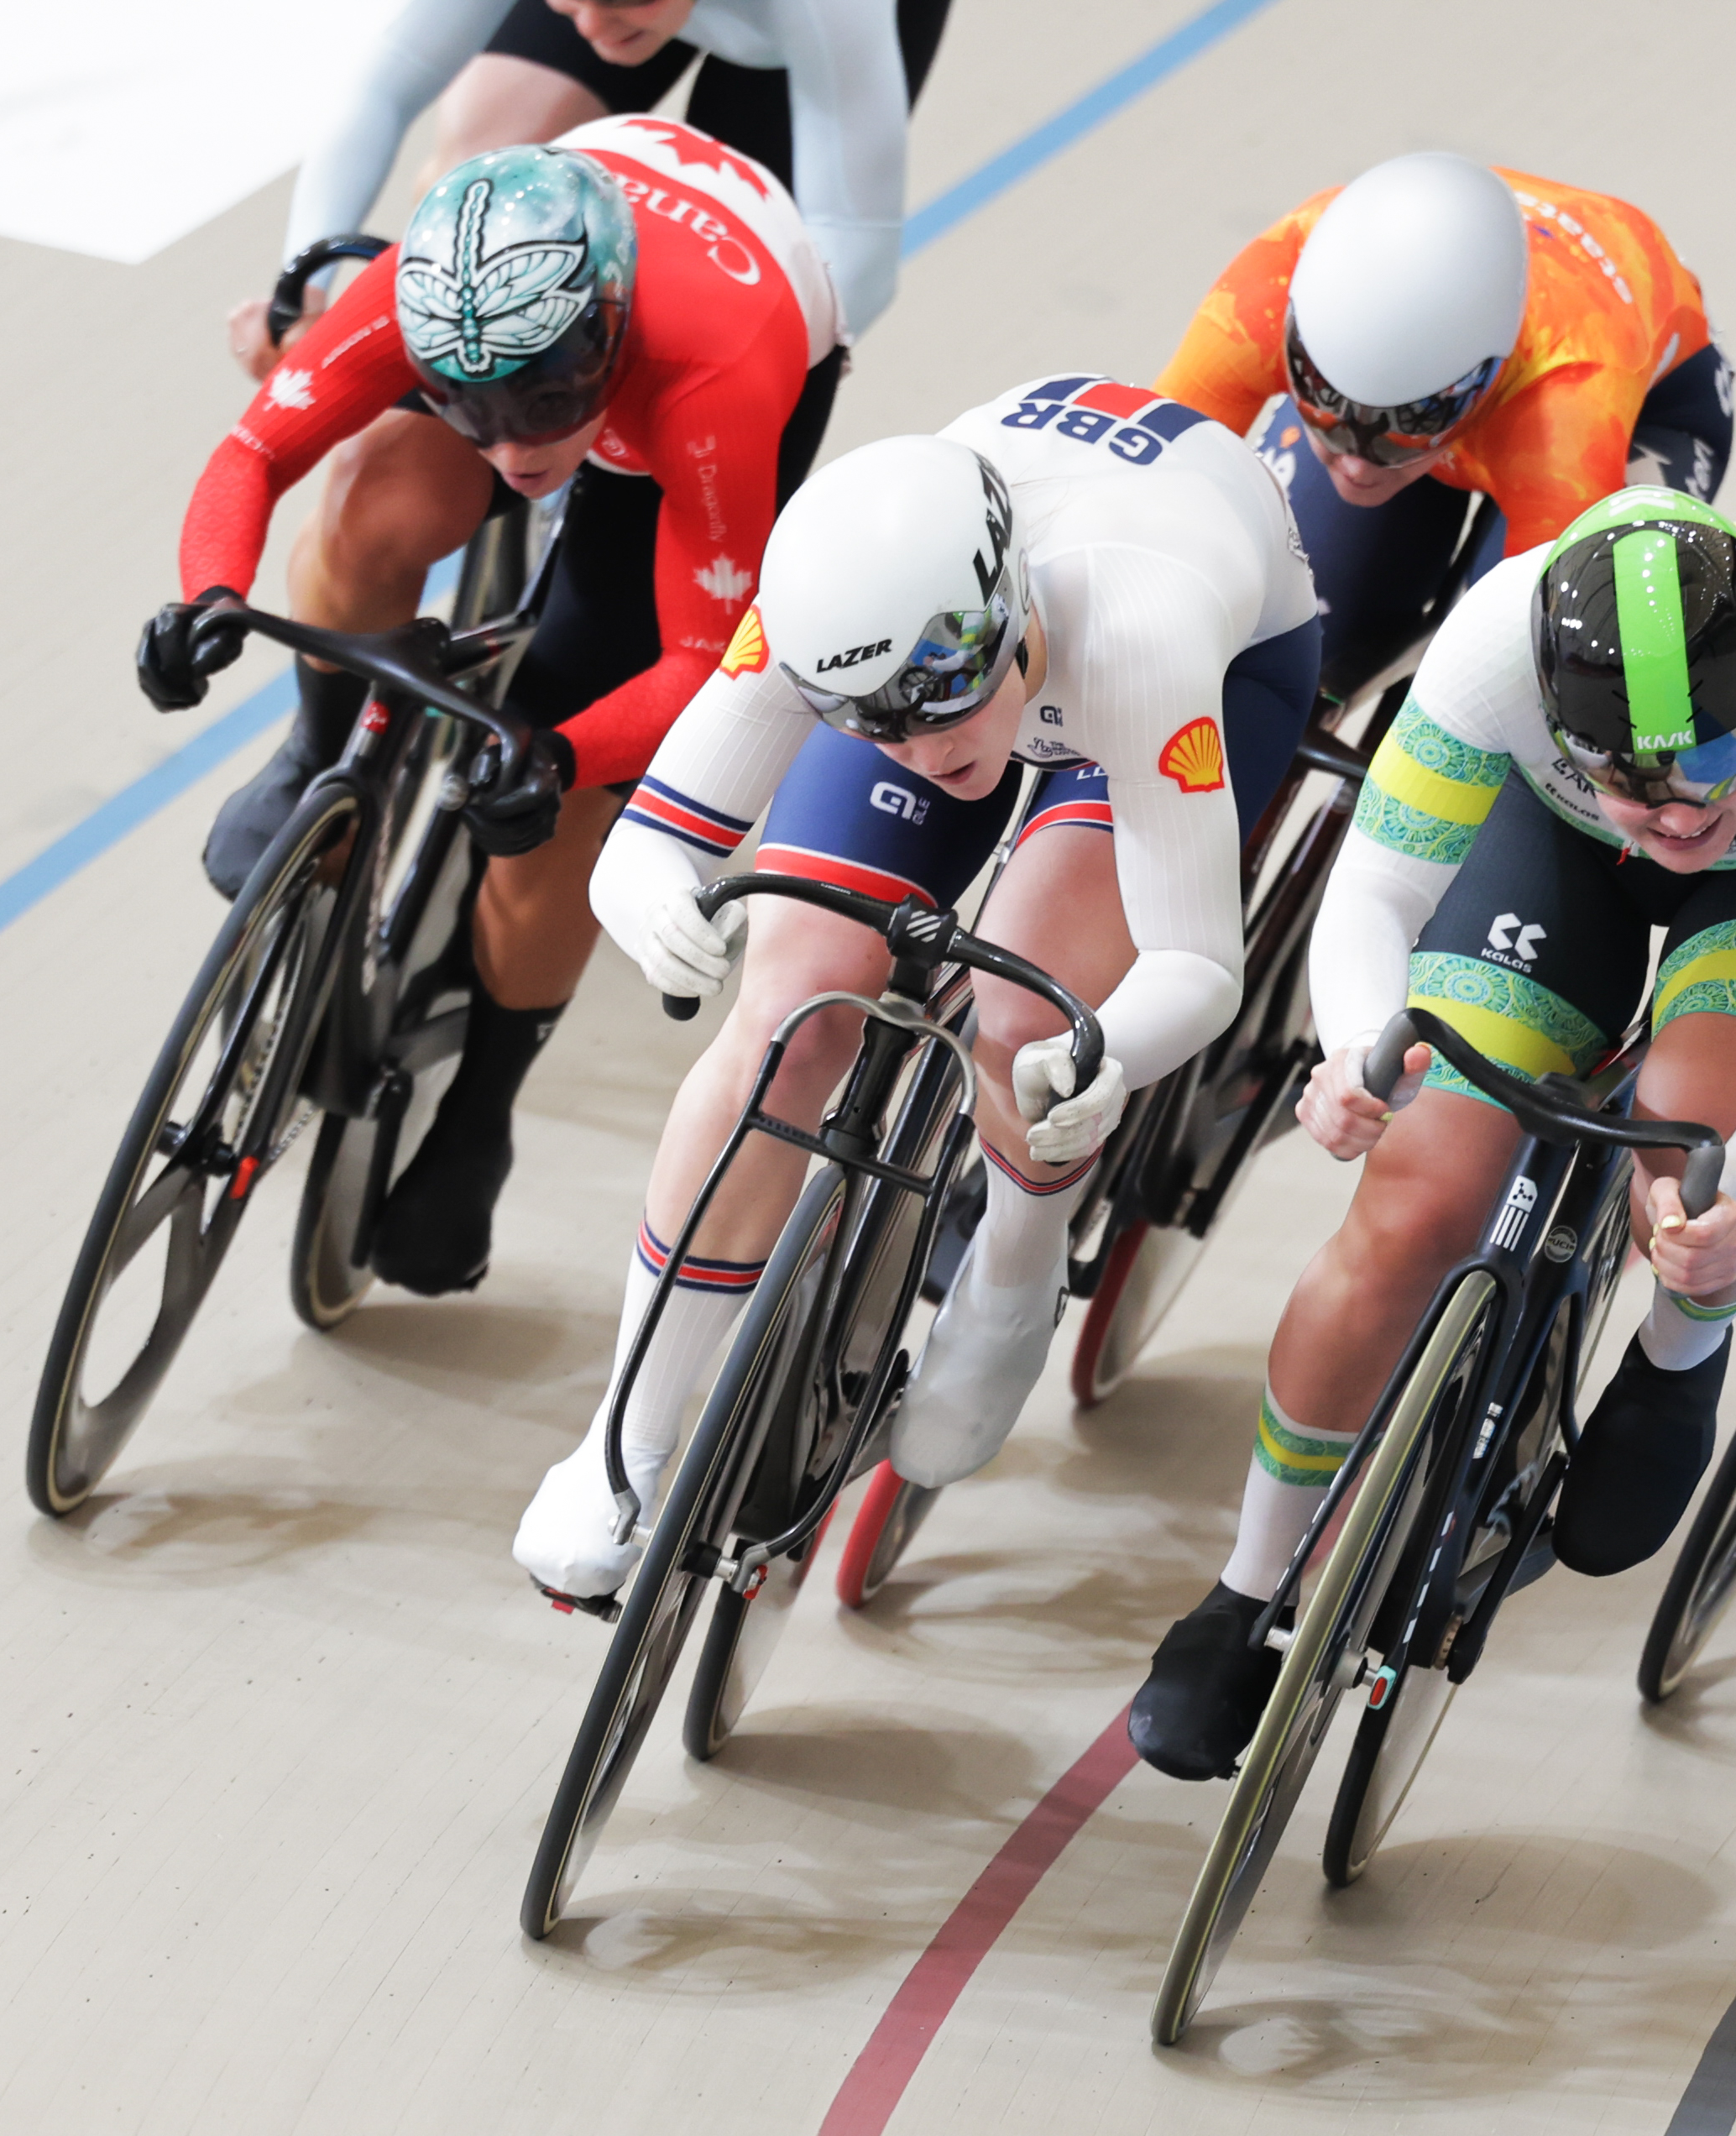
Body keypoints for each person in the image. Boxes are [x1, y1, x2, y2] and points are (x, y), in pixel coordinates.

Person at [1126, 489, 1736, 1781]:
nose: (1678, 819)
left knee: (1695, 1137)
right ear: (1561, 725)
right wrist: (1355, 1051)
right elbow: (1375, 892)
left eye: (1715, 768)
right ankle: (1245, 1584)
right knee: (1417, 1200)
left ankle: (1679, 1356)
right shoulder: (1499, 643)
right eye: (1640, 784)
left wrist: (1717, 1215)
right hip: (1554, 840)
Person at [513, 374, 1320, 1605]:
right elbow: (657, 836)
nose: (922, 751)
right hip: (961, 616)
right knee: (791, 1015)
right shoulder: (829, 612)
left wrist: (1099, 1061)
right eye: (872, 725)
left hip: (1201, 663)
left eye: (944, 704)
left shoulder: (1144, 630)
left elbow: (1199, 968)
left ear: (1001, 617)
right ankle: (619, 1445)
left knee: (1029, 1013)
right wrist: (645, 897)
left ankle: (1013, 1268)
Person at [141, 118, 838, 1295]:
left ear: (605, 337)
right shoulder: (420, 297)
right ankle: (318, 761)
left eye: (548, 399)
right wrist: (208, 596)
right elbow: (252, 456)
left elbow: (711, 666)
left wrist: (564, 755)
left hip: (691, 386)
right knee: (373, 508)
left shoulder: (718, 368)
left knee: (573, 786)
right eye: (474, 408)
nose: (515, 450)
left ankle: (481, 1112)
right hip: (540, 317)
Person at [1154, 151, 1733, 702]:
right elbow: (1135, 482)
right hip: (1476, 416)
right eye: (1328, 403)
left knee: (1539, 676)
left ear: (1490, 379)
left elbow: (1554, 661)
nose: (1356, 463)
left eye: (1413, 419)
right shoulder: (1267, 290)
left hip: (1640, 415)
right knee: (1280, 628)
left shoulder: (1569, 398)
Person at [231, 0, 948, 376]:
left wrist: (730, 375)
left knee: (766, 275)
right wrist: (308, 281)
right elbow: (382, 87)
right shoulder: (601, 7)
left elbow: (855, 252)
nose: (597, 25)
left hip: (791, 34)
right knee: (472, 173)